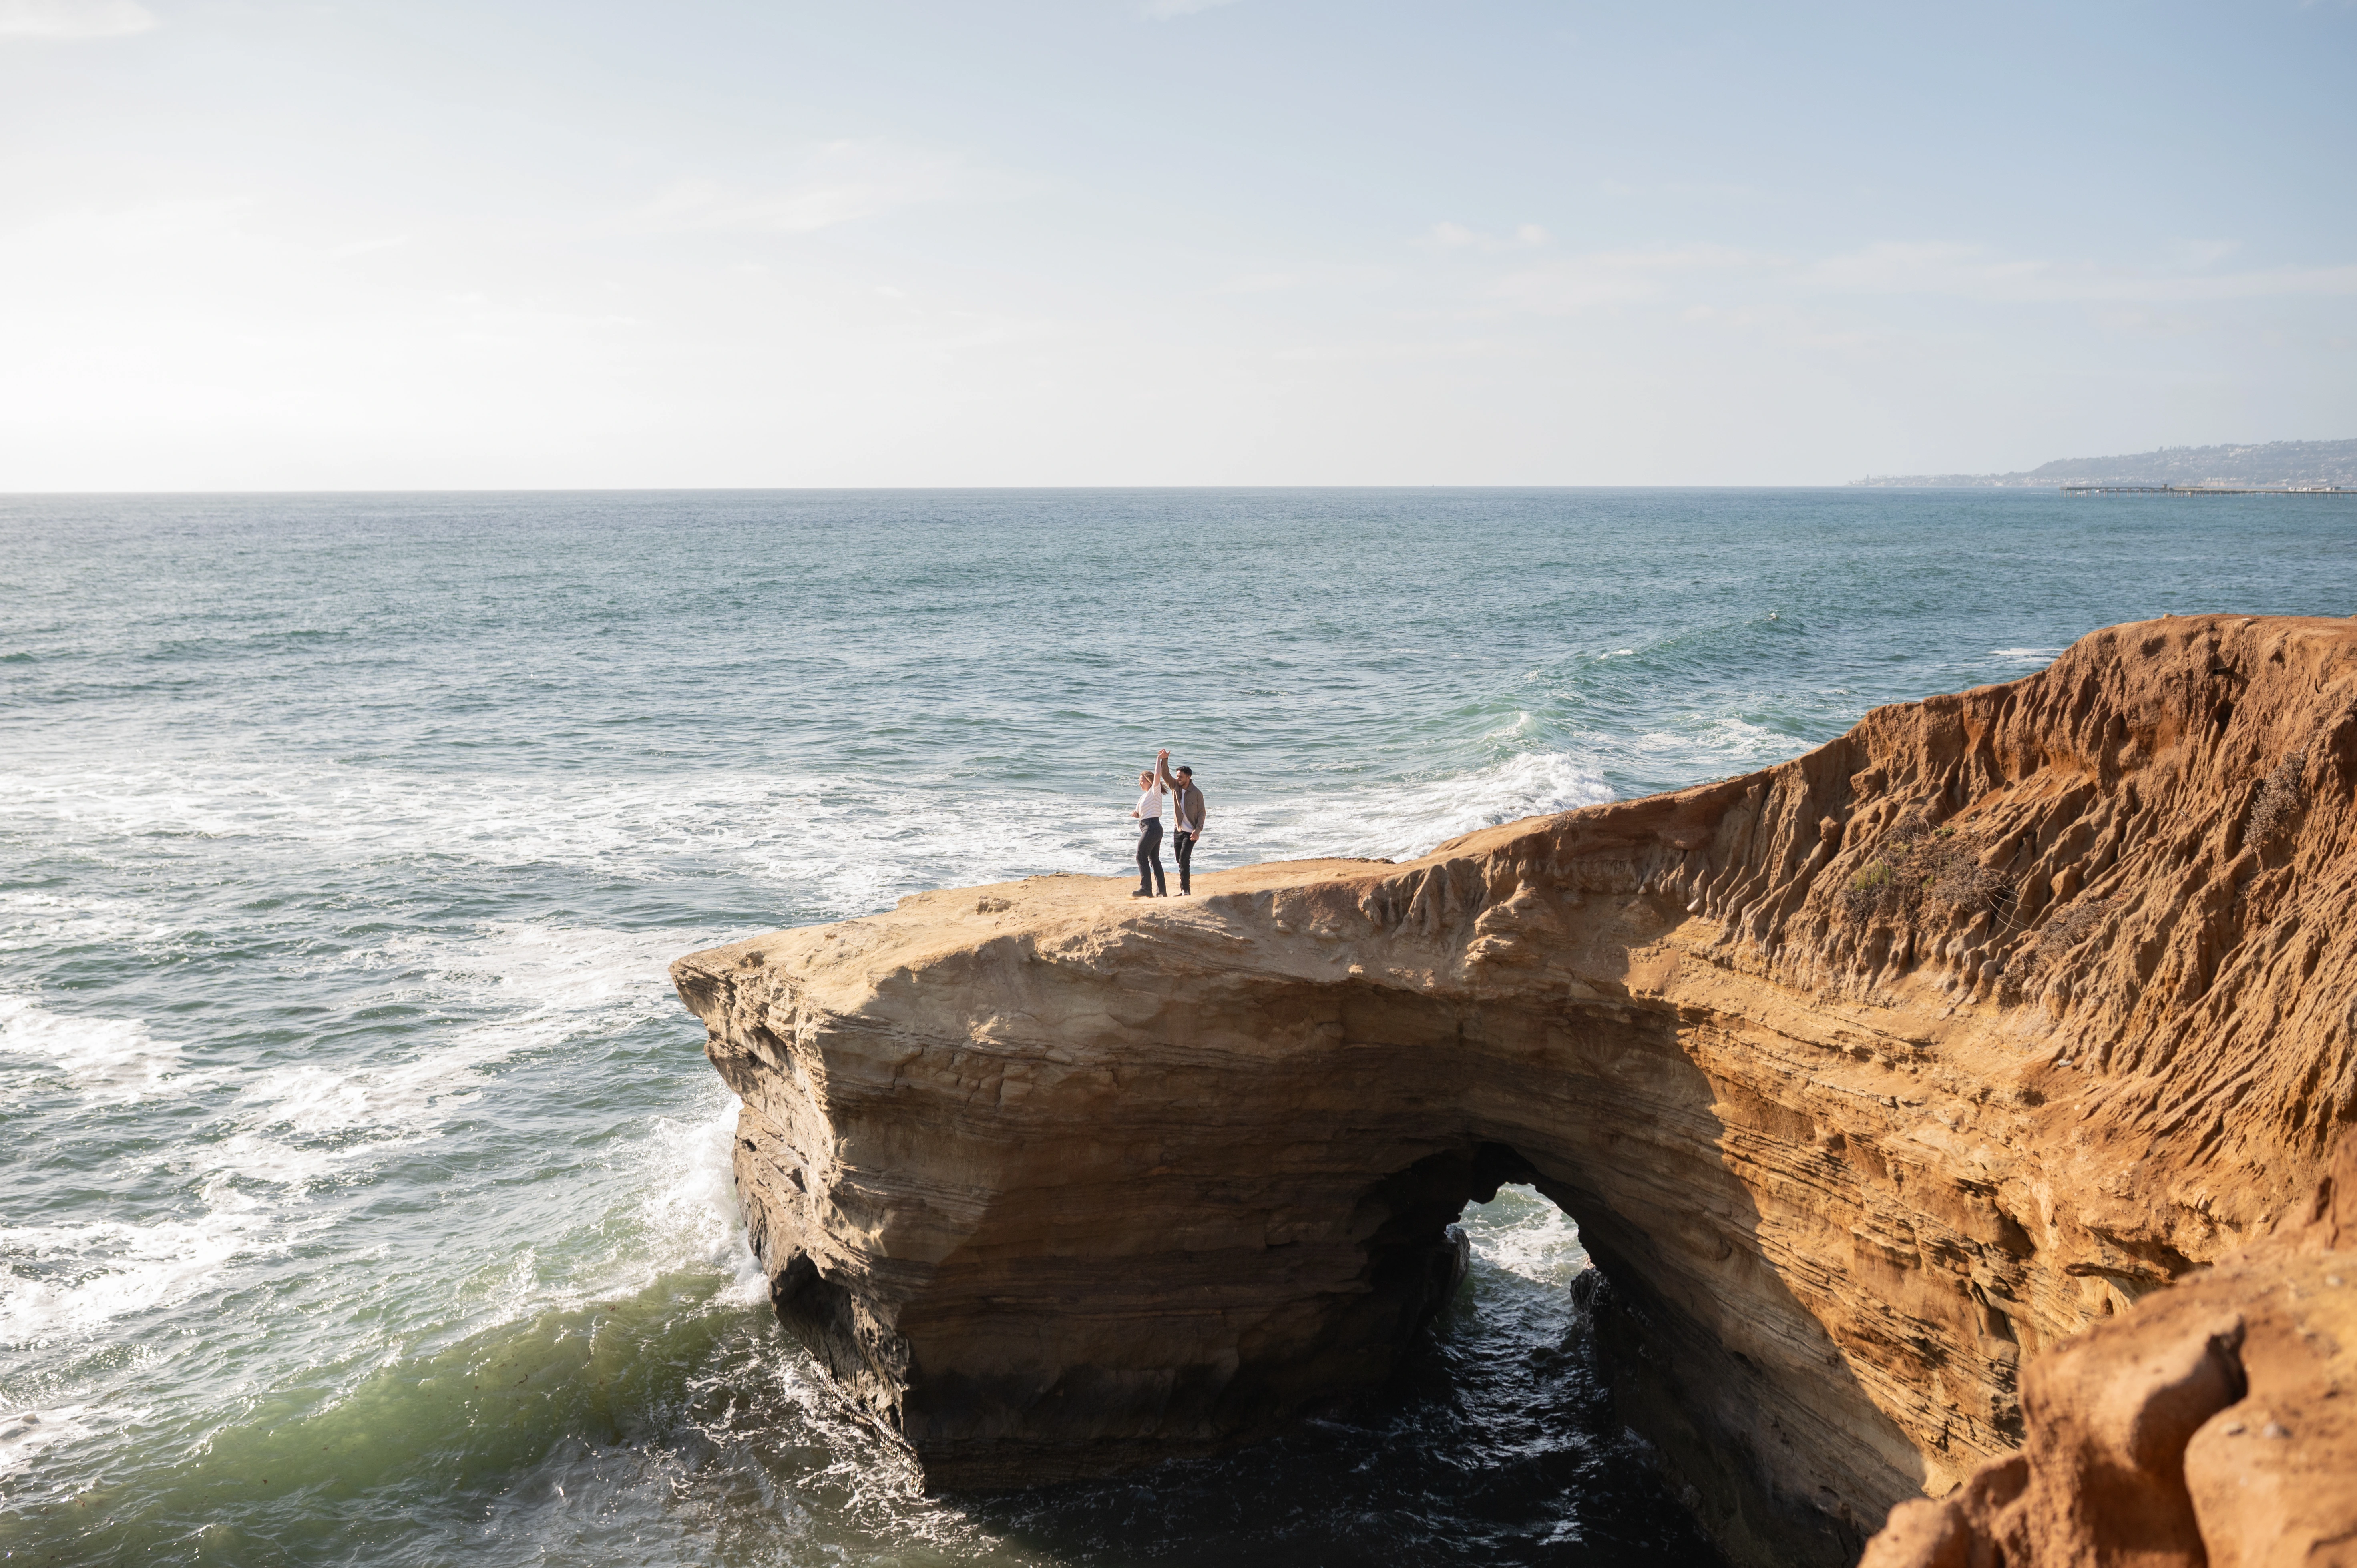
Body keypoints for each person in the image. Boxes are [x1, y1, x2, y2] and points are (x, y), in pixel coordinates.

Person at [1158, 752, 1206, 895]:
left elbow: (1202, 813)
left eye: (1181, 777)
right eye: (1177, 776)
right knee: (1180, 860)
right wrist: (1165, 759)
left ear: (1188, 777)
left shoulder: (1197, 793)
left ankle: (1186, 891)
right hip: (1178, 830)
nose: (1178, 779)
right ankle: (1184, 889)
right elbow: (1165, 774)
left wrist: (1198, 831)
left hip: (1191, 832)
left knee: (1184, 859)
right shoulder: (1175, 787)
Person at [1130, 754, 1168, 897]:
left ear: (1150, 782)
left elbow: (1158, 774)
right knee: (1154, 860)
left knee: (1141, 856)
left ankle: (1146, 889)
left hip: (1152, 827)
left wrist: (1160, 759)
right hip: (1151, 827)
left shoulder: (1154, 790)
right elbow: (1142, 814)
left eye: (1142, 782)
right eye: (1140, 782)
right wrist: (1136, 814)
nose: (1140, 784)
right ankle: (1162, 892)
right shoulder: (1144, 797)